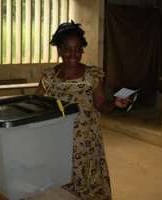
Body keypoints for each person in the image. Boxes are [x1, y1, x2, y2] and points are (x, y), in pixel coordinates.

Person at [34, 21, 131, 199]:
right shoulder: (49, 77)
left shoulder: (91, 75)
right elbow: (37, 106)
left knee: (89, 183)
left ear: (82, 50)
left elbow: (101, 105)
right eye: (67, 49)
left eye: (78, 49)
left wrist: (115, 104)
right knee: (61, 186)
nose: (73, 54)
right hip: (57, 143)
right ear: (59, 50)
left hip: (86, 144)